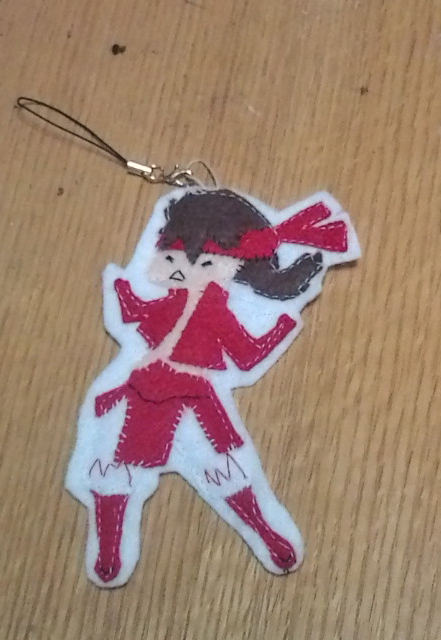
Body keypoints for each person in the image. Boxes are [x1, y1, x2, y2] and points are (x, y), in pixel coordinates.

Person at [66, 187, 359, 587]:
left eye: (193, 261)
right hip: (144, 395)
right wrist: (121, 290)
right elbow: (138, 314)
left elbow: (246, 355)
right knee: (114, 465)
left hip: (194, 401)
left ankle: (266, 533)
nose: (172, 268)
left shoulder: (217, 312)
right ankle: (109, 545)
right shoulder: (173, 301)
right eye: (169, 255)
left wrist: (279, 328)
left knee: (221, 470)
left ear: (225, 265)